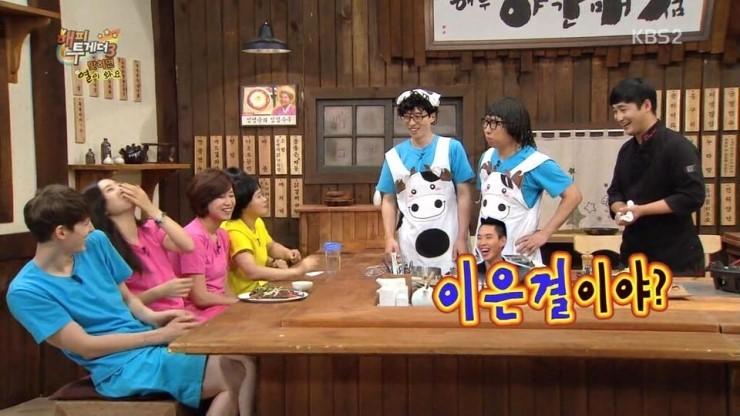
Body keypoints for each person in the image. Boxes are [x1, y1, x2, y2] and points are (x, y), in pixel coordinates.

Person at [6, 185, 256, 415]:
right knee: (235, 373)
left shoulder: (96, 242)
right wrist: (159, 335)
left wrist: (155, 317)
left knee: (245, 357)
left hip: (148, 341)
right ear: (61, 232)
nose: (91, 229)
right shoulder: (26, 290)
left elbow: (126, 297)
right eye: (84, 224)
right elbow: (85, 346)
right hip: (117, 367)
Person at [607, 78, 705, 275]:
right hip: (633, 255)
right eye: (615, 111)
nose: (618, 117)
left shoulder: (677, 146)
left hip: (675, 259)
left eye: (623, 109)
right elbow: (615, 192)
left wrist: (642, 210)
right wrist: (621, 209)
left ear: (646, 105)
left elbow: (692, 195)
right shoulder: (626, 150)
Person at [376, 89, 475, 274]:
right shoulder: (394, 156)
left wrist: (462, 237)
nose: (412, 123)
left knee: (451, 286)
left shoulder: (452, 148)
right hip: (409, 242)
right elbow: (388, 199)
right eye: (407, 117)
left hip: (450, 238)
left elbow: (464, 194)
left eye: (418, 116)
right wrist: (389, 237)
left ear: (432, 116)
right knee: (413, 285)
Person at [477, 97, 582, 264]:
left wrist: (545, 233)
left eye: (495, 123)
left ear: (514, 125)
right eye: (486, 123)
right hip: (484, 256)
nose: (487, 130)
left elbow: (573, 195)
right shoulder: (486, 157)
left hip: (518, 255)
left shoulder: (536, 163)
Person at [83, 179, 195, 313]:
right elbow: (118, 304)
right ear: (102, 209)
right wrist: (160, 292)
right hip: (146, 319)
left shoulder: (150, 228)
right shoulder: (106, 246)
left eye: (119, 184)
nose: (121, 189)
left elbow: (188, 245)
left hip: (179, 312)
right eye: (110, 189)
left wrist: (151, 208)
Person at [223, 167, 319, 294]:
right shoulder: (234, 231)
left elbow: (270, 246)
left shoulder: (256, 222)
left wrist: (287, 253)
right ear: (244, 204)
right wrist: (297, 271)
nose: (265, 199)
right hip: (244, 296)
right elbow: (251, 272)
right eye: (259, 196)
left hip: (261, 289)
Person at [173, 169, 238, 321]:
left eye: (231, 195)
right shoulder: (193, 237)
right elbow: (200, 297)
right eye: (220, 197)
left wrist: (240, 305)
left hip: (221, 305)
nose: (229, 202)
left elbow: (224, 286)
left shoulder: (222, 235)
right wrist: (238, 303)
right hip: (195, 312)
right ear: (204, 200)